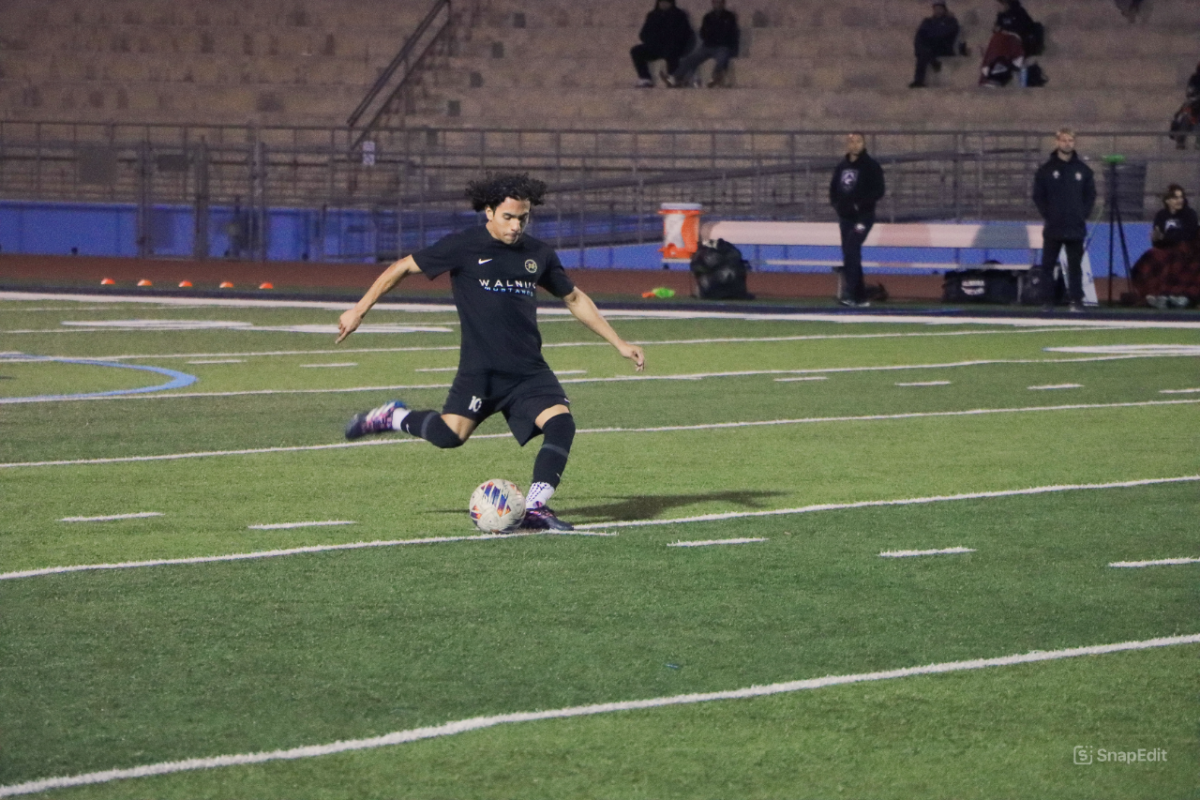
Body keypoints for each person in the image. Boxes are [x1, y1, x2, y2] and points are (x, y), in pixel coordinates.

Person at [336, 173, 646, 531]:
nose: (516, 226)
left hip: (528, 370)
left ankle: (535, 508)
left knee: (562, 423)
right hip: (480, 372)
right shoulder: (465, 245)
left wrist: (619, 343)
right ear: (488, 212)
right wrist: (359, 308)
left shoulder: (539, 254)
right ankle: (394, 417)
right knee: (448, 437)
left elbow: (574, 298)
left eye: (523, 218)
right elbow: (403, 266)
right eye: (508, 217)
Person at [1031, 128, 1096, 312]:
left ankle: (1076, 300)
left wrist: (1082, 214)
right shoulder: (1046, 170)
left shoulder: (1083, 171)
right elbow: (1038, 196)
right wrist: (1049, 214)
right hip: (1053, 226)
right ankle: (1047, 301)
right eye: (1064, 140)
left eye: (1070, 140)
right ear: (1057, 142)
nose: (1067, 144)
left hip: (1075, 226)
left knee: (1075, 266)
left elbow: (1090, 195)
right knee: (1048, 265)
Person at [828, 132, 886, 308]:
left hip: (863, 217)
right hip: (845, 217)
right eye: (851, 142)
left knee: (853, 247)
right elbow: (833, 190)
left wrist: (861, 204)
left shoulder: (871, 166)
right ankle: (860, 296)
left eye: (858, 141)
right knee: (849, 252)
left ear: (864, 144)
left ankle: (849, 293)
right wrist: (839, 206)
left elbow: (879, 190)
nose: (854, 145)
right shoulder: (842, 166)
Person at [1132, 184, 1200, 309]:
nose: (1179, 200)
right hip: (1166, 248)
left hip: (1186, 250)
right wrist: (1158, 239)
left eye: (1181, 197)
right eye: (1175, 198)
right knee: (1151, 255)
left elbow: (1188, 235)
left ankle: (1180, 295)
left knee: (1176, 257)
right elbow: (1158, 239)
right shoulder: (1161, 215)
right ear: (1167, 201)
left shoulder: (1190, 214)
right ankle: (1151, 294)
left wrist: (1167, 237)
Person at [664, 0, 739, 88]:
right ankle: (674, 78)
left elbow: (730, 34)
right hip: (708, 46)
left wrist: (718, 37)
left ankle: (715, 78)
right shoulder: (708, 17)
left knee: (722, 58)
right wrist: (713, 36)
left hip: (723, 46)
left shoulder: (729, 17)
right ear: (713, 3)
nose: (717, 4)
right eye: (715, 2)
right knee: (690, 59)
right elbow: (703, 33)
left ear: (723, 3)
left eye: (719, 2)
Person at [630, 0, 694, 88]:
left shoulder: (679, 15)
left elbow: (686, 34)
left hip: (675, 47)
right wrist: (652, 41)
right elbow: (643, 34)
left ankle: (674, 77)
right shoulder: (652, 15)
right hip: (656, 47)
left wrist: (672, 41)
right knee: (636, 51)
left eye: (666, 2)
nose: (663, 4)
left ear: (671, 3)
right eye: (661, 2)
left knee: (672, 51)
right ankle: (645, 79)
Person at [980, 0, 1035, 87]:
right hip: (1002, 41)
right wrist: (998, 29)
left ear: (1006, 4)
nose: (998, 7)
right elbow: (996, 29)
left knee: (1001, 41)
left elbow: (1026, 29)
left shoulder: (1019, 12)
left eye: (1000, 5)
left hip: (1016, 40)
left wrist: (1009, 31)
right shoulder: (1001, 16)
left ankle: (998, 70)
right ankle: (991, 72)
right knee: (996, 40)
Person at [910, 2, 961, 89]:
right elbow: (920, 35)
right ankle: (932, 63)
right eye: (936, 8)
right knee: (921, 46)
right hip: (929, 47)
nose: (938, 11)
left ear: (944, 9)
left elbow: (943, 34)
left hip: (943, 47)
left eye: (940, 8)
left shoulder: (950, 21)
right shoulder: (928, 21)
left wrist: (930, 33)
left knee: (924, 50)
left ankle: (919, 79)